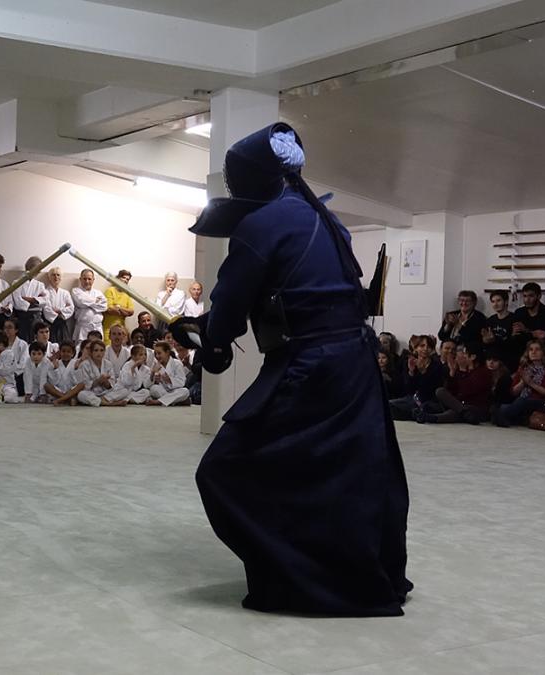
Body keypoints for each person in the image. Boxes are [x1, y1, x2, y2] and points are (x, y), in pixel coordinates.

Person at [174, 122, 411, 616]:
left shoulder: (260, 225)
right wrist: (210, 328)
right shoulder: (327, 219)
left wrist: (207, 339)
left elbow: (230, 312)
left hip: (312, 367)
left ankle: (304, 582)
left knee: (225, 470)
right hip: (356, 365)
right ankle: (364, 575)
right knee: (347, 472)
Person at [416, 343, 490, 424]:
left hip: (475, 406)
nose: (461, 355)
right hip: (458, 404)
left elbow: (467, 391)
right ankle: (464, 412)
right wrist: (452, 372)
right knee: (440, 391)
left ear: (473, 357)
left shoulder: (482, 372)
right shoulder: (461, 368)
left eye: (464, 353)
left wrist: (462, 370)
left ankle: (431, 417)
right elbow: (452, 390)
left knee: (455, 411)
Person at [493, 339, 545, 427]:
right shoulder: (523, 368)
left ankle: (501, 416)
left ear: (543, 352)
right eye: (531, 349)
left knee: (519, 402)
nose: (533, 352)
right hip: (522, 400)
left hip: (542, 402)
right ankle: (505, 416)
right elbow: (513, 392)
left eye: (537, 349)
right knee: (515, 402)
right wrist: (523, 382)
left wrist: (530, 383)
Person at [389, 335, 445, 420]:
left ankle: (415, 414)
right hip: (412, 398)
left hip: (429, 400)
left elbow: (433, 389)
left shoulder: (437, 365)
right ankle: (413, 414)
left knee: (426, 407)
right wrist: (411, 372)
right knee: (388, 405)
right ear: (415, 348)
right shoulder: (410, 362)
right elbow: (408, 389)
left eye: (429, 347)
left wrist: (423, 372)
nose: (425, 349)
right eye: (422, 346)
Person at [75, 339, 128, 407]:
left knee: (124, 391)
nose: (99, 353)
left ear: (104, 352)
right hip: (91, 392)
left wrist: (106, 382)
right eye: (96, 350)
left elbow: (111, 385)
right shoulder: (85, 365)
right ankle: (108, 403)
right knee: (81, 395)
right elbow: (84, 385)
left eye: (101, 350)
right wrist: (98, 381)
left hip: (105, 393)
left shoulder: (108, 364)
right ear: (91, 352)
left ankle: (101, 400)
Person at [509, 282, 545, 360]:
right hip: (522, 354)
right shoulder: (519, 312)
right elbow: (517, 337)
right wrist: (513, 334)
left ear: (539, 296)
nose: (527, 300)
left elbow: (544, 337)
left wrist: (526, 330)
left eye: (531, 296)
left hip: (542, 356)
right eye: (525, 296)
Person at [12, 256, 48, 342]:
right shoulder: (16, 283)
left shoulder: (40, 285)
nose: (39, 271)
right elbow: (17, 303)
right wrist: (36, 301)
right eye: (38, 268)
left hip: (37, 318)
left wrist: (31, 299)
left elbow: (46, 300)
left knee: (37, 343)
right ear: (31, 267)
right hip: (22, 318)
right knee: (23, 342)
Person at [146, 340, 190, 406]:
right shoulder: (155, 365)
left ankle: (159, 401)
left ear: (167, 352)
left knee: (185, 391)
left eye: (159, 353)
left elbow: (182, 382)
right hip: (163, 391)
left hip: (175, 390)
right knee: (153, 388)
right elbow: (147, 385)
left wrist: (169, 380)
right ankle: (176, 401)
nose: (157, 356)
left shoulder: (177, 363)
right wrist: (153, 373)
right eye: (155, 354)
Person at [71, 269, 108, 343]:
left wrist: (88, 303)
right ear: (80, 279)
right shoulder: (76, 291)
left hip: (97, 328)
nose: (87, 281)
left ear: (93, 280)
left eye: (89, 279)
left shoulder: (98, 292)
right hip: (83, 328)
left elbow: (104, 306)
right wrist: (96, 301)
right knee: (81, 348)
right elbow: (81, 302)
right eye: (84, 279)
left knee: (98, 349)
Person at [44, 340, 85, 405]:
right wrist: (55, 369)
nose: (65, 354)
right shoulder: (56, 363)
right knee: (46, 385)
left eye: (68, 352)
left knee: (82, 384)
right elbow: (54, 382)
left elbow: (77, 382)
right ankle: (66, 399)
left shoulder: (76, 363)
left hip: (71, 391)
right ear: (60, 352)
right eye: (63, 351)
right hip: (59, 391)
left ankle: (61, 399)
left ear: (72, 353)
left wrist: (76, 369)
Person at [42, 267, 75, 344]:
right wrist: (63, 309)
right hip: (50, 324)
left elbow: (71, 308)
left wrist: (59, 310)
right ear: (49, 277)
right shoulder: (45, 292)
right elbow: (46, 309)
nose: (56, 277)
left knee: (64, 345)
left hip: (62, 323)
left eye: (58, 275)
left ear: (61, 277)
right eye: (53, 275)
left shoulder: (65, 293)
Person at [482, 290, 514, 368]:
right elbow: (485, 343)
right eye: (493, 301)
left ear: (506, 301)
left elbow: (514, 344)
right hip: (492, 359)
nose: (495, 304)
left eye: (498, 301)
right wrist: (485, 341)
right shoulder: (490, 320)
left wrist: (494, 340)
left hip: (508, 359)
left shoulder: (514, 319)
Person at [103, 269, 135, 342]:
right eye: (123, 278)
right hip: (109, 329)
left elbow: (131, 312)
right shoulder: (110, 290)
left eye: (127, 279)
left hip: (121, 331)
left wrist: (118, 307)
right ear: (118, 278)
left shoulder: (127, 294)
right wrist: (124, 312)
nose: (125, 280)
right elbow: (109, 309)